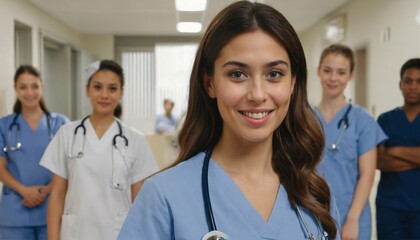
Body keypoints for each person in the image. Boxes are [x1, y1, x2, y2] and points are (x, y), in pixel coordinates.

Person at [118, 1, 340, 239]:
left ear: (293, 83)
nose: (257, 94)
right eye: (237, 74)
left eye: (274, 74)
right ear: (209, 83)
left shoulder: (313, 194)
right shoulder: (164, 197)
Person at [40, 60, 158, 240]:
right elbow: (56, 194)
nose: (104, 95)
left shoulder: (135, 140)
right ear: (87, 90)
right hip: (75, 233)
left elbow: (139, 202)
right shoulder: (67, 134)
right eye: (97, 87)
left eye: (112, 88)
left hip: (118, 233)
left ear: (121, 92)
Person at [313, 44, 387, 240]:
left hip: (351, 215)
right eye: (327, 70)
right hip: (312, 211)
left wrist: (352, 220)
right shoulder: (305, 119)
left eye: (341, 72)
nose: (333, 78)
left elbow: (367, 174)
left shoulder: (362, 120)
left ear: (351, 74)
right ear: (318, 71)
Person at [0, 65, 69, 240]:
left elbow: (69, 165)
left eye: (34, 86)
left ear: (42, 87)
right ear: (15, 88)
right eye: (23, 87)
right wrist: (24, 190)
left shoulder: (60, 124)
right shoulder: (4, 125)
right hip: (15, 214)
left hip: (52, 208)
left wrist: (46, 191)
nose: (29, 92)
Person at [376, 58, 420, 240]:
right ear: (400, 84)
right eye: (408, 81)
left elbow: (386, 156)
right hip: (390, 206)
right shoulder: (385, 119)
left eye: (419, 82)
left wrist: (394, 151)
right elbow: (378, 161)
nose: (413, 87)